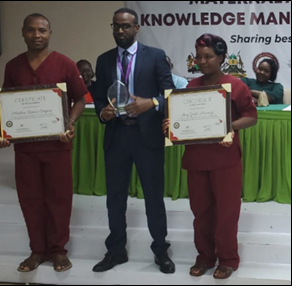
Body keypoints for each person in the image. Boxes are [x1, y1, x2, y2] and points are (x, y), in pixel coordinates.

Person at [0, 13, 87, 272]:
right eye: (32, 30)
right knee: (30, 200)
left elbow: (80, 99)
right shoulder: (12, 67)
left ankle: (58, 251)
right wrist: (3, 133)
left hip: (57, 146)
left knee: (59, 199)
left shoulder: (65, 64)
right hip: (26, 150)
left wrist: (71, 122)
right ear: (23, 33)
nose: (37, 35)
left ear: (49, 33)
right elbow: (7, 105)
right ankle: (37, 251)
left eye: (42, 30)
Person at [163, 33, 257, 279]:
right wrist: (171, 126)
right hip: (197, 159)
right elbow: (179, 120)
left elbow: (251, 117)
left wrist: (228, 126)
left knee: (226, 212)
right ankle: (205, 256)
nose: (202, 61)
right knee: (201, 211)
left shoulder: (236, 85)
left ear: (222, 57)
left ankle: (227, 259)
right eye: (199, 57)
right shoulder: (190, 87)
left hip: (225, 160)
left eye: (208, 57)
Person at [92, 8, 176, 274]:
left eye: (126, 27)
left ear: (137, 28)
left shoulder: (155, 56)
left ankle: (161, 250)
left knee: (153, 196)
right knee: (115, 197)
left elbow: (170, 96)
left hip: (146, 137)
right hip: (117, 136)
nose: (121, 31)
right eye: (116, 26)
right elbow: (98, 98)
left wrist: (150, 103)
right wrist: (103, 113)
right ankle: (116, 250)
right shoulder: (104, 60)